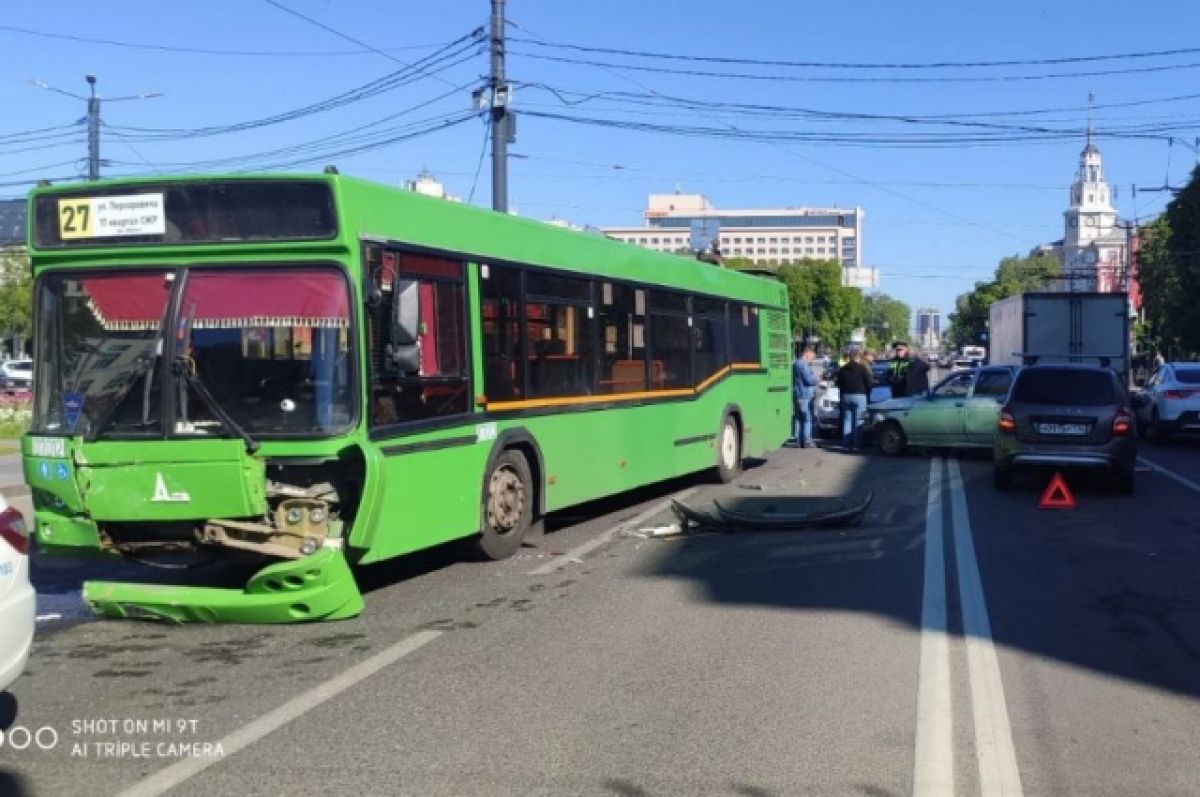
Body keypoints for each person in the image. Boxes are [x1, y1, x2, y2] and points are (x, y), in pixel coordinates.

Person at [835, 349, 873, 451]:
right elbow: (868, 382)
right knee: (859, 420)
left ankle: (846, 444)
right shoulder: (862, 368)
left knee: (847, 420)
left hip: (846, 396)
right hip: (860, 395)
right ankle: (857, 444)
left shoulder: (843, 369)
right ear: (857, 357)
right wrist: (868, 391)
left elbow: (838, 384)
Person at [791, 344, 819, 448]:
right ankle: (807, 440)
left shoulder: (795, 364)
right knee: (807, 418)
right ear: (807, 354)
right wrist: (817, 379)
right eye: (812, 357)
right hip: (805, 394)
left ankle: (798, 439)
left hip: (798, 393)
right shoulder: (803, 365)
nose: (811, 360)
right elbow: (809, 380)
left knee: (798, 418)